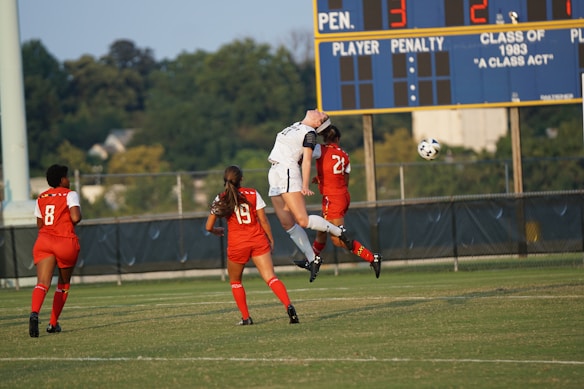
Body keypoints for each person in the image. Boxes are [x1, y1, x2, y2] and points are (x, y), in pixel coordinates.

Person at [206, 165, 299, 325]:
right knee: (271, 278)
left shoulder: (221, 198)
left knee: (236, 282)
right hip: (257, 240)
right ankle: (288, 306)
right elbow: (263, 220)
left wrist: (216, 231)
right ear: (241, 179)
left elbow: (208, 226)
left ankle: (246, 318)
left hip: (237, 244)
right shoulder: (253, 193)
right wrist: (270, 238)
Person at [267, 109, 353, 282]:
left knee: (303, 220)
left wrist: (305, 185)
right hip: (275, 171)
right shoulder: (299, 126)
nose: (319, 111)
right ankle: (313, 260)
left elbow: (306, 160)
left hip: (287, 171)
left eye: (322, 115)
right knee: (287, 223)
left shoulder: (310, 133)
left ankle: (338, 231)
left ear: (318, 123)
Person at [294, 126, 382, 278]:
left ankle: (372, 258)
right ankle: (311, 261)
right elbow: (343, 179)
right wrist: (322, 179)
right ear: (338, 139)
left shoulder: (320, 149)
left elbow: (304, 156)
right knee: (321, 231)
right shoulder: (345, 155)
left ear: (324, 138)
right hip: (343, 196)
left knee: (338, 239)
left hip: (332, 198)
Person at [29, 164, 82, 337]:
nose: (69, 180)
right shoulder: (70, 194)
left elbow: (40, 224)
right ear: (61, 180)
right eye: (67, 177)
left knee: (42, 283)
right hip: (64, 241)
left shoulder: (41, 197)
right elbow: (76, 217)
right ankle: (52, 323)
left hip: (44, 241)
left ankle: (34, 313)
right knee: (63, 284)